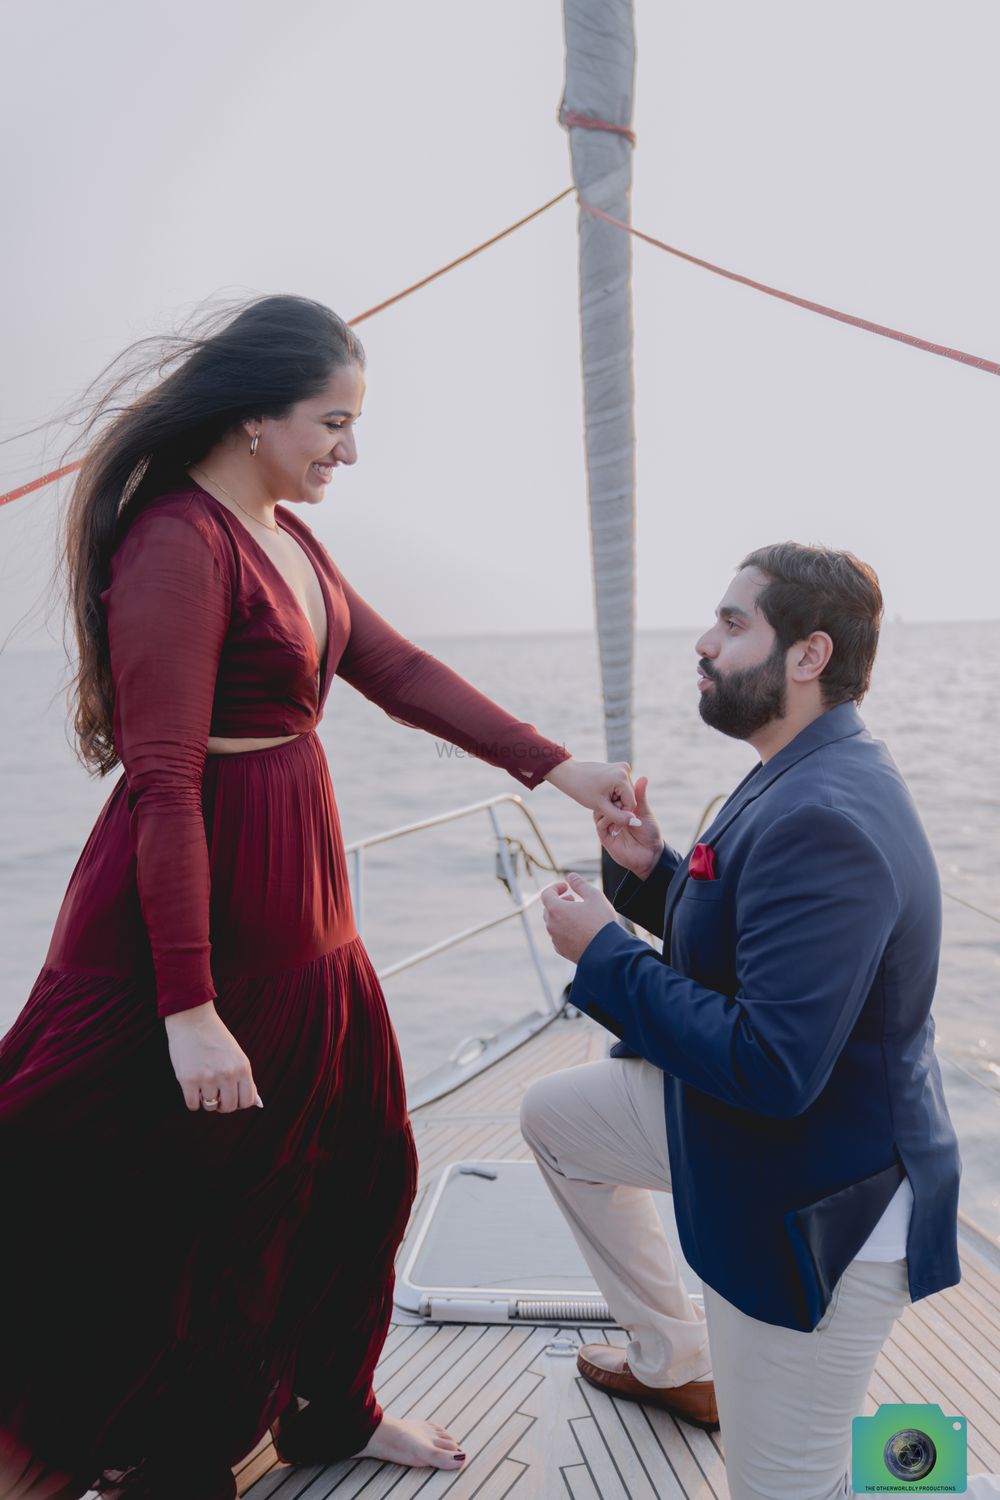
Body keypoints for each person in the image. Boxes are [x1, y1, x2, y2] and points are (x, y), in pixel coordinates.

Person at [0, 294, 640, 1500]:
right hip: (205, 913)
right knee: (202, 1198)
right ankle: (176, 1458)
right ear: (253, 419)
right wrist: (189, 1007)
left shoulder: (285, 533)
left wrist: (558, 769)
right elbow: (165, 781)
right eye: (333, 423)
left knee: (363, 1162)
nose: (351, 450)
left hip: (308, 906)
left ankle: (329, 1410)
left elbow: (392, 667)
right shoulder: (176, 547)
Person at [526, 543, 1000, 1499]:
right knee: (556, 1121)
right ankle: (674, 1357)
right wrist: (648, 873)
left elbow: (772, 1066)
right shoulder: (800, 769)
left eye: (733, 624)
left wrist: (605, 957)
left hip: (821, 1199)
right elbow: (756, 939)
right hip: (769, 1136)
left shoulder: (826, 811)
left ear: (809, 655)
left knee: (786, 1487)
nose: (704, 643)